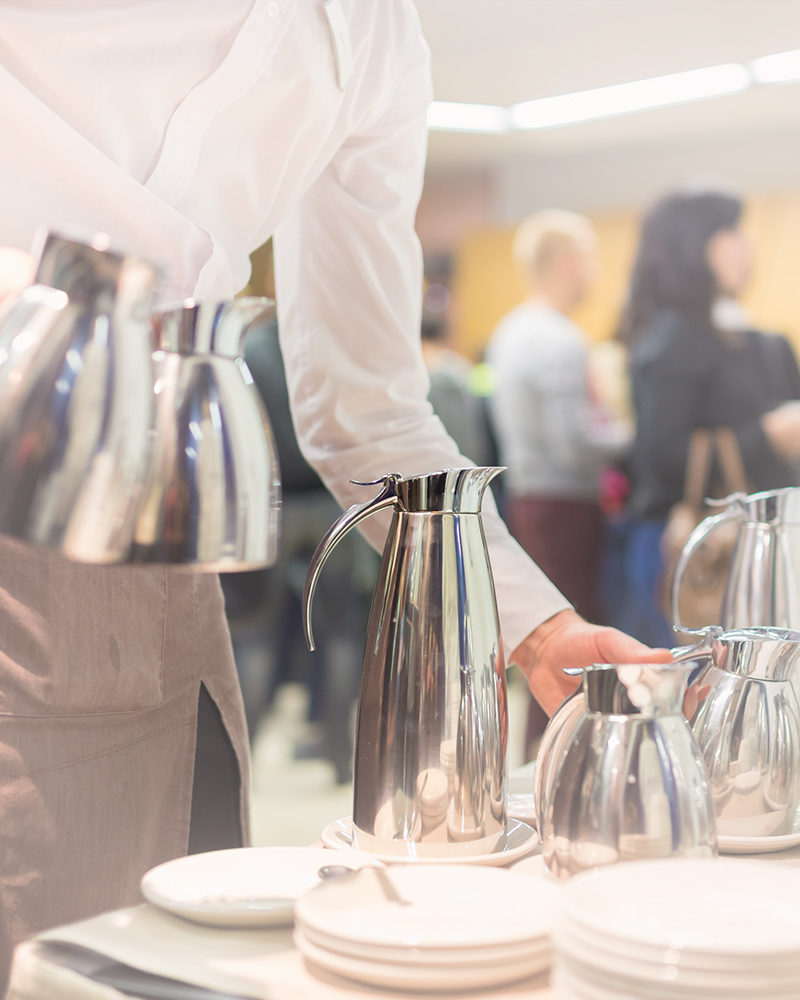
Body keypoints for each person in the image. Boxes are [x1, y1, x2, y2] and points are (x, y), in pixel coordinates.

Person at [0, 2, 668, 985]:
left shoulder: (375, 39)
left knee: (143, 953)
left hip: (139, 555)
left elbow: (370, 409)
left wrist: (532, 623)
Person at [620, 185, 800, 646]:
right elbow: (661, 459)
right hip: (695, 548)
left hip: (757, 542)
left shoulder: (753, 338)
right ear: (693, 246)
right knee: (696, 695)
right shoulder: (671, 341)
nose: (746, 245)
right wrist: (766, 436)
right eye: (730, 232)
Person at [487, 209, 632, 753]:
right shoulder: (560, 340)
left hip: (528, 499)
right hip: (565, 505)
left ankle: (541, 755)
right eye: (590, 259)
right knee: (567, 636)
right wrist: (631, 437)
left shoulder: (511, 330)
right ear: (568, 263)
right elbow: (573, 446)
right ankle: (564, 755)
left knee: (540, 635)